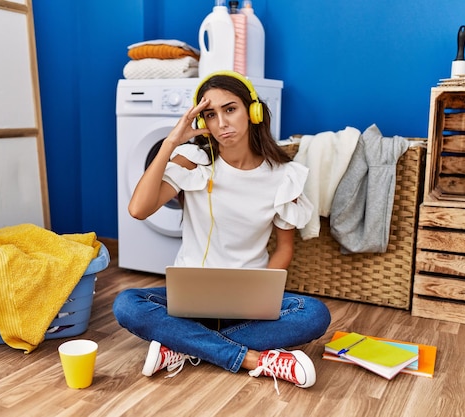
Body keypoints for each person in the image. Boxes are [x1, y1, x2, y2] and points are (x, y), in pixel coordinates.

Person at [112, 70, 331, 394]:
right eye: (210, 115)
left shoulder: (283, 176)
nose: (221, 123)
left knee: (314, 314)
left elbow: (284, 249)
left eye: (230, 109)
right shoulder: (194, 160)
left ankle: (182, 346)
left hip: (247, 300)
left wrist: (261, 294)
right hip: (191, 298)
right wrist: (173, 140)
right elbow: (138, 209)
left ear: (252, 112)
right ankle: (255, 360)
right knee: (127, 303)